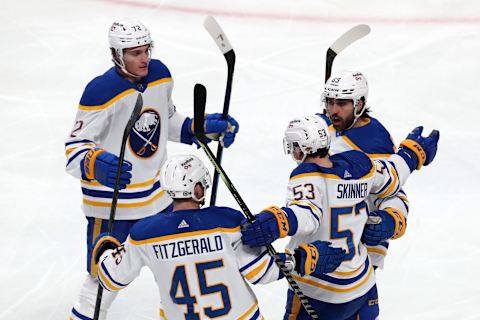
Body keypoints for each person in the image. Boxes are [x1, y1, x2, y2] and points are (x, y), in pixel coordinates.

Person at [64, 19, 239, 320]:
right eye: (135, 53)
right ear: (117, 55)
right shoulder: (100, 91)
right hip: (112, 210)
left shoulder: (160, 75)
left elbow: (166, 120)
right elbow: (73, 151)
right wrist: (95, 163)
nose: (144, 58)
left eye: (146, 50)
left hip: (159, 201)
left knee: (176, 274)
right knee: (102, 284)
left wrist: (198, 128)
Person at [92, 155, 346, 319]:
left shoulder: (143, 234)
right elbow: (263, 272)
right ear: (198, 188)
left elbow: (110, 279)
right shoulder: (227, 222)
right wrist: (302, 259)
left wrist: (107, 250)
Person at [241, 115, 439, 319]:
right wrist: (412, 153)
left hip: (319, 290)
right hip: (362, 285)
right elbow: (392, 175)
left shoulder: (306, 175)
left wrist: (276, 221)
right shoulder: (360, 165)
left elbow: (307, 215)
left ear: (300, 147)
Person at [319, 70, 416, 316]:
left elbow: (391, 192)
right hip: (322, 242)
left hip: (358, 249)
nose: (334, 110)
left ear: (359, 104)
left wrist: (391, 220)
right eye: (329, 102)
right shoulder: (323, 126)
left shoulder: (374, 141)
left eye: (341, 103)